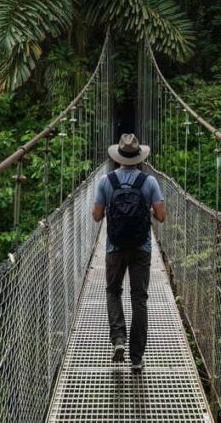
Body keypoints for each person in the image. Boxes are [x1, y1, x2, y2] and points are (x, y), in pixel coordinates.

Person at [92, 133, 166, 373]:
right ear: (139, 157)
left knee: (113, 292)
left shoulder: (106, 181)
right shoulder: (150, 182)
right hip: (141, 248)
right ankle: (136, 358)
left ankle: (119, 340)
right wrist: (147, 211)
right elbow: (162, 217)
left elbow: (96, 216)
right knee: (139, 299)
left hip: (114, 248)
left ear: (118, 157)